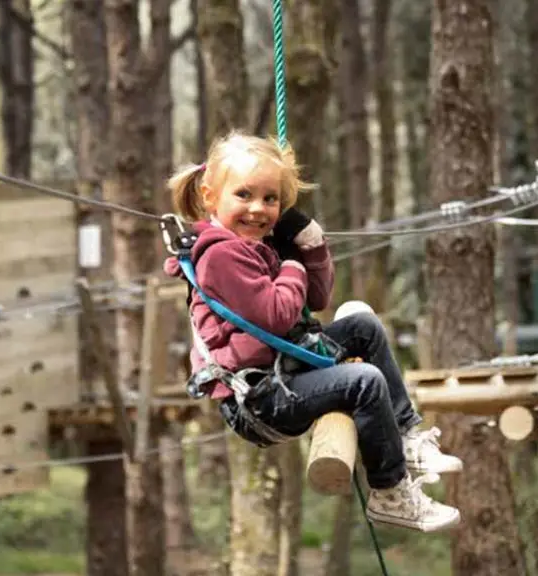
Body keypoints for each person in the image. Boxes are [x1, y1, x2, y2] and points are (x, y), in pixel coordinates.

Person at [162, 130, 462, 533]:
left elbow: (316, 298)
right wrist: (292, 265)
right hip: (260, 399)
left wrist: (310, 247)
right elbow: (278, 315)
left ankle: (406, 437)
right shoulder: (220, 255)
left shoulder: (256, 245)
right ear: (211, 195)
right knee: (365, 382)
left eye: (270, 199)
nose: (258, 209)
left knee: (364, 329)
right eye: (244, 195)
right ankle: (390, 492)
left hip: (285, 368)